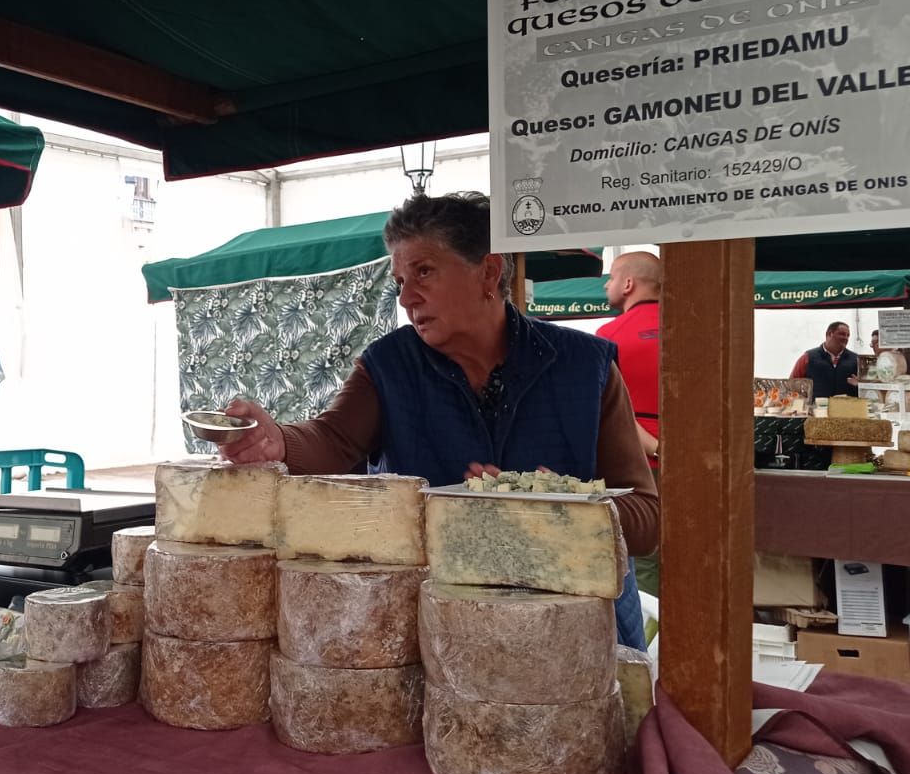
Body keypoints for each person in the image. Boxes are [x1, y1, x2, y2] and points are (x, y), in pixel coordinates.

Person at [222, 192, 659, 650]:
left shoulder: (584, 365)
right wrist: (277, 441)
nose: (407, 298)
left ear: (489, 272)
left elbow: (647, 520)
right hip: (444, 623)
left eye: (424, 272)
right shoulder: (389, 364)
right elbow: (333, 438)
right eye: (400, 281)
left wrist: (556, 511)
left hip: (577, 629)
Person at [596, 251, 662, 465]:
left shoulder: (610, 335)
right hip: (694, 454)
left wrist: (657, 448)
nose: (606, 285)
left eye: (612, 277)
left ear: (628, 284)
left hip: (634, 459)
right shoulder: (691, 328)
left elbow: (607, 410)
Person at [789, 321, 859, 398]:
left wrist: (860, 385)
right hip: (816, 408)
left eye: (848, 335)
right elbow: (791, 384)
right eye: (842, 334)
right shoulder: (808, 357)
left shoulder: (856, 359)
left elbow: (866, 388)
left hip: (848, 408)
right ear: (829, 334)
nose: (846, 338)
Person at [870, 328, 910, 401]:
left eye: (876, 343)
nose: (873, 347)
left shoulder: (905, 358)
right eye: (872, 344)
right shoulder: (879, 362)